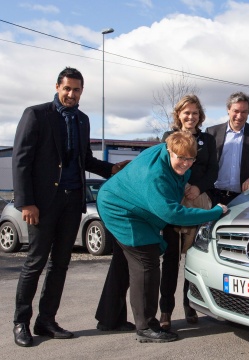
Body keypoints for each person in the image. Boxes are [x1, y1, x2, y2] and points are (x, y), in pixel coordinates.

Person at [11, 67, 129, 347]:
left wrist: (110, 168)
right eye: (67, 89)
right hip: (41, 204)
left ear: (81, 92)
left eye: (76, 90)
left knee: (60, 264)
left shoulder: (83, 120)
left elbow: (84, 159)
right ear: (57, 87)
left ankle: (46, 320)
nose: (71, 94)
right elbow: (21, 160)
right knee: (35, 263)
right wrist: (26, 202)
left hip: (72, 200)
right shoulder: (36, 114)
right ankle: (21, 322)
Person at [96, 131, 228, 343]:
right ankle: (147, 327)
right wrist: (214, 212)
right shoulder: (156, 175)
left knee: (123, 263)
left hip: (128, 202)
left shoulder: (170, 154)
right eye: (180, 158)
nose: (185, 163)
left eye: (190, 159)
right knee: (146, 264)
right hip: (121, 210)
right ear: (169, 151)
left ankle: (109, 318)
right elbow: (172, 213)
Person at [159, 95, 218, 329]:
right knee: (171, 259)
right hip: (176, 202)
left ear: (200, 115)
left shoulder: (208, 141)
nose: (190, 117)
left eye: (194, 113)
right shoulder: (167, 138)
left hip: (199, 201)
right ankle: (165, 312)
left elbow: (213, 171)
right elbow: (164, 168)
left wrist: (198, 187)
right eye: (186, 112)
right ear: (178, 115)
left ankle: (190, 306)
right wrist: (183, 187)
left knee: (192, 259)